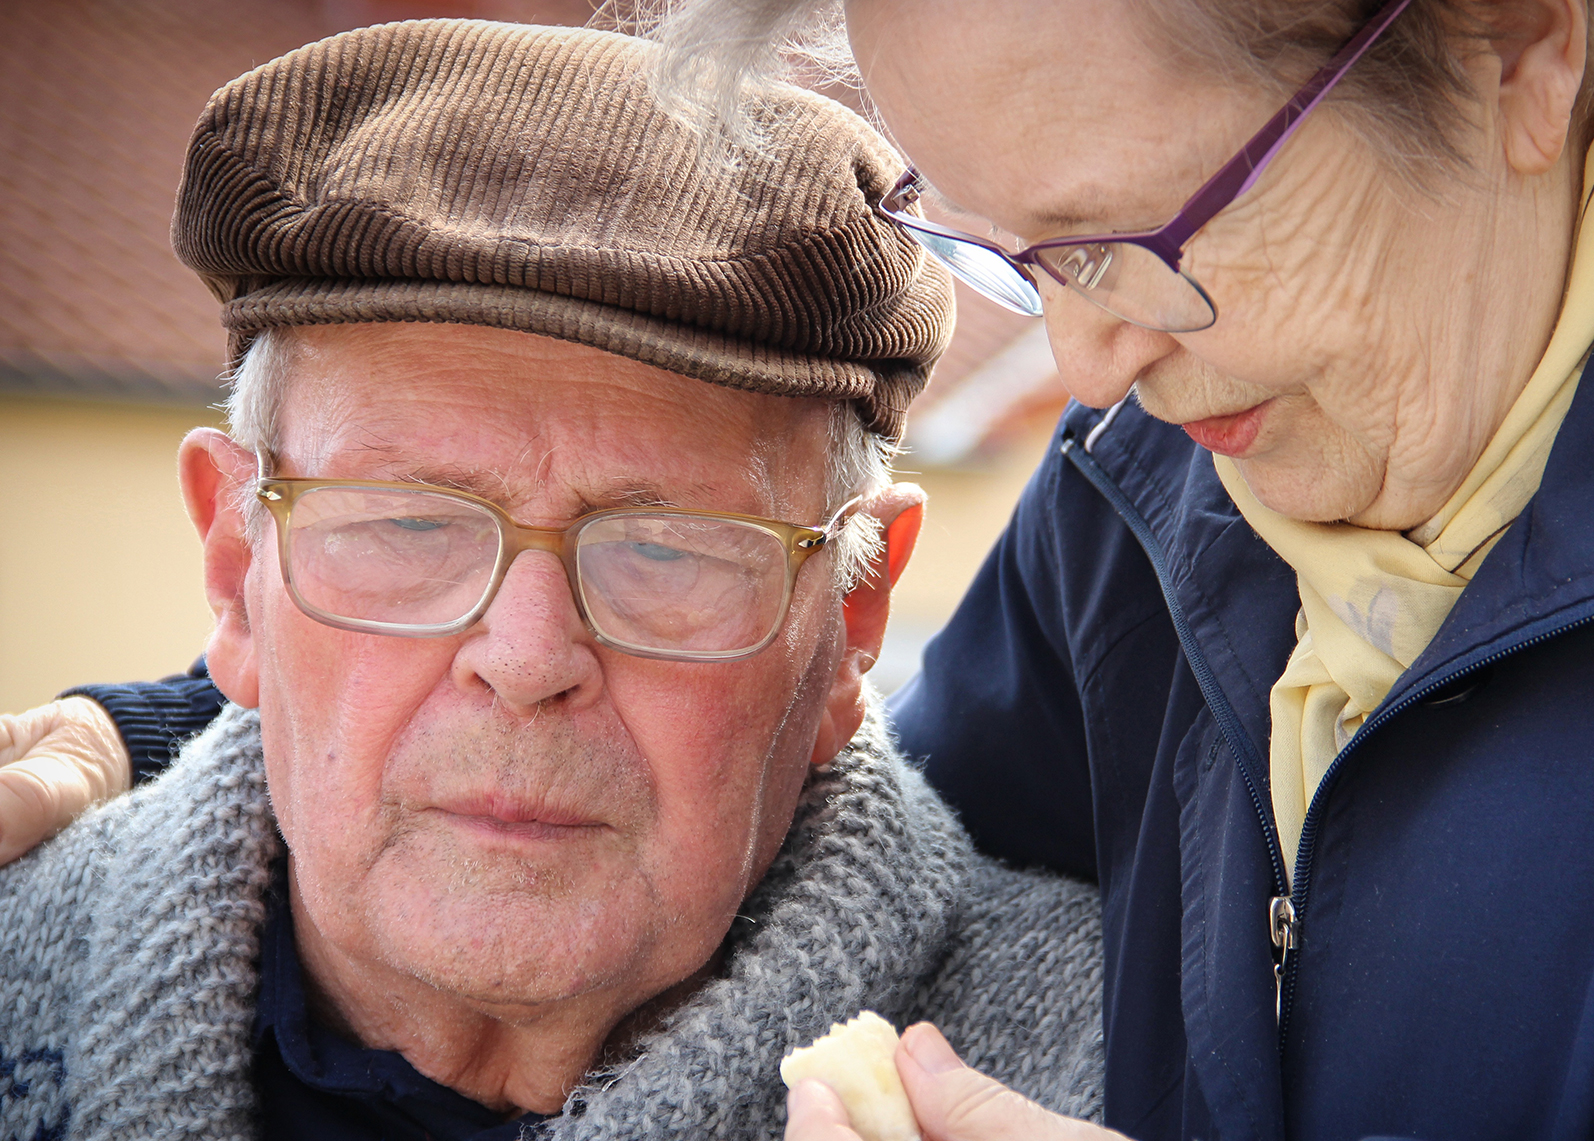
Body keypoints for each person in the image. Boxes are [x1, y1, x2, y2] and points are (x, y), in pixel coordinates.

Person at [8, 0, 1594, 1137]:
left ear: (1519, 45)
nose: (1081, 382)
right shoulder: (1163, 479)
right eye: (1017, 257)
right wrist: (160, 739)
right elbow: (773, 763)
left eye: (1131, 236)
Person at [0, 20, 1108, 1141]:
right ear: (238, 574)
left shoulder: (1130, 1065)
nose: (527, 661)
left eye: (666, 547)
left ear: (850, 617)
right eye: (409, 525)